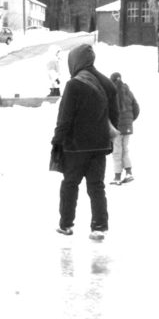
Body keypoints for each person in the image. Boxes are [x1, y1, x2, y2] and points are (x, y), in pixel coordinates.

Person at [51, 43, 118, 240]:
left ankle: (66, 224)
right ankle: (99, 227)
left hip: (76, 147)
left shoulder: (74, 84)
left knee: (70, 185)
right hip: (99, 146)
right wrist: (108, 140)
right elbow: (115, 117)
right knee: (96, 186)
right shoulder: (107, 84)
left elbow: (65, 117)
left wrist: (57, 140)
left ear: (75, 61)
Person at [109, 72, 140, 185]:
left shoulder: (111, 93)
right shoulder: (128, 91)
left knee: (117, 151)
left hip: (116, 127)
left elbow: (108, 110)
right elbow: (136, 108)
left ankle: (117, 177)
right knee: (125, 150)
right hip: (127, 127)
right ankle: (128, 173)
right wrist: (130, 121)